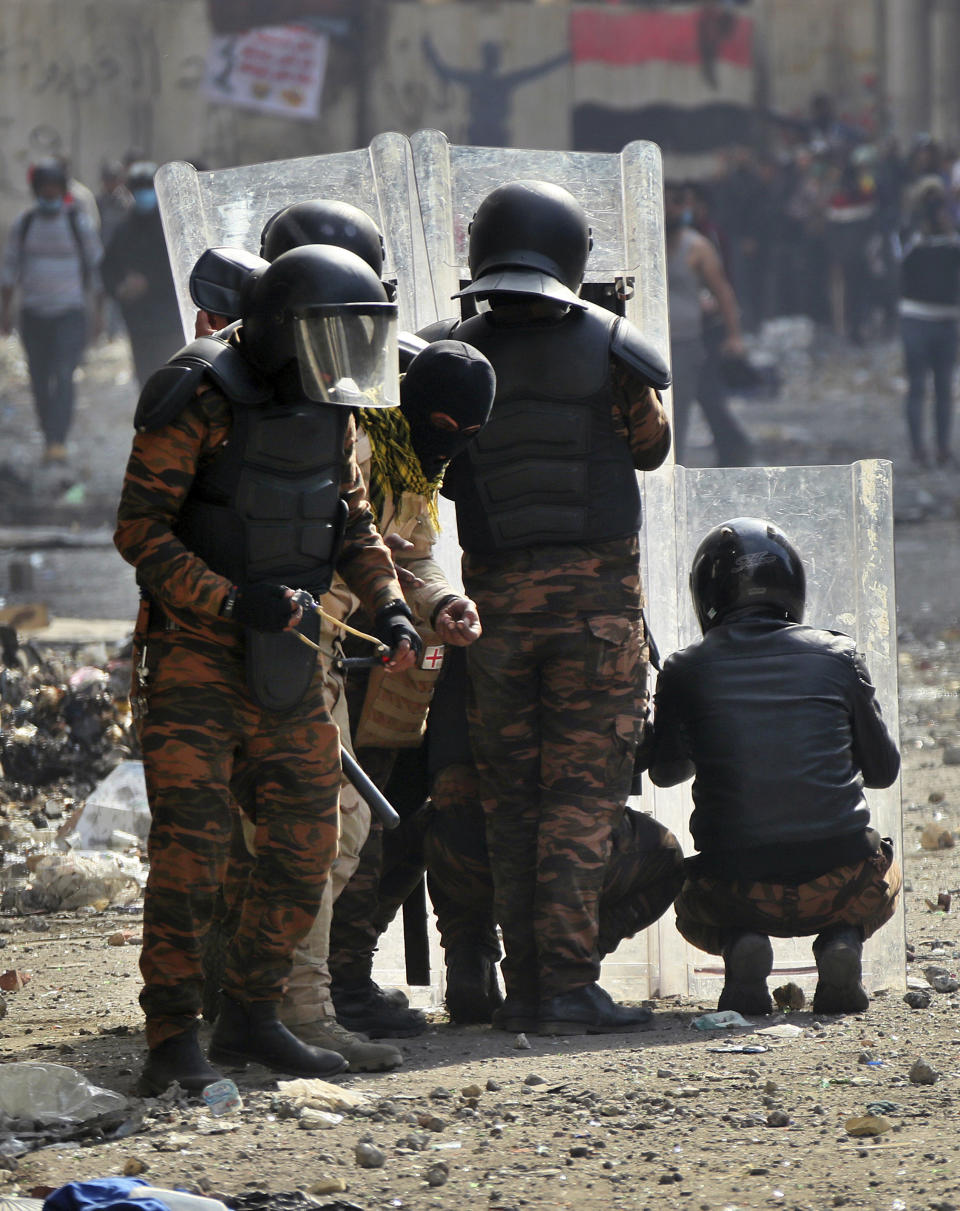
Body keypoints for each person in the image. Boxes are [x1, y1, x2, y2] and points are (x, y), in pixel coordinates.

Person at [114, 242, 421, 1094]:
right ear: (288, 331)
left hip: (287, 658)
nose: (347, 357)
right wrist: (226, 598)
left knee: (304, 841)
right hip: (192, 656)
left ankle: (254, 1013)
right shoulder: (198, 395)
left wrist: (389, 602)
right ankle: (173, 1033)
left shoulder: (335, 406)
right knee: (195, 851)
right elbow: (141, 530)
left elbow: (350, 521)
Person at [422, 178, 673, 1035]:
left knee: (512, 802)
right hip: (597, 619)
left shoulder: (450, 351)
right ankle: (568, 985)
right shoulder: (610, 347)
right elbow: (651, 447)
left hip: (494, 617)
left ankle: (523, 984)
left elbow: (435, 469)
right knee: (580, 800)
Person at [649, 517, 902, 1015]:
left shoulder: (683, 669)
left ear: (707, 595)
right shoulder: (839, 655)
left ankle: (741, 944)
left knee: (684, 886)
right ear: (793, 586)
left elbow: (665, 773)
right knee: (886, 871)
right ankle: (842, 942)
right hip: (842, 883)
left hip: (735, 891)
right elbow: (883, 771)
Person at [325, 338, 496, 1040]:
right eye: (445, 431)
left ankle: (343, 976)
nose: (447, 446)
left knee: (385, 819)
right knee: (346, 828)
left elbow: (418, 553)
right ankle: (332, 987)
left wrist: (444, 603)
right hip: (328, 648)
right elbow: (339, 539)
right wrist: (373, 564)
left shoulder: (414, 464)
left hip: (388, 662)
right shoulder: (362, 441)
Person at [0, 157, 103, 465]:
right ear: (36, 190)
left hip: (69, 313)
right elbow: (8, 271)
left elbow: (95, 270)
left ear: (61, 190)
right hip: (33, 314)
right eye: (43, 189)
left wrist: (98, 314)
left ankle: (58, 440)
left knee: (63, 374)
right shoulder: (25, 223)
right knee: (39, 377)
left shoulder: (77, 223)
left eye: (54, 188)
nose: (49, 194)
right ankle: (48, 433)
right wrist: (4, 312)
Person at [665, 181, 752, 467]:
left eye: (677, 203)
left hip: (688, 342)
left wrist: (734, 336)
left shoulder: (699, 246)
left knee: (682, 412)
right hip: (651, 341)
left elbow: (724, 292)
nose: (671, 209)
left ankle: (678, 468)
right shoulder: (642, 246)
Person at [101, 162, 183, 388]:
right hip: (139, 322)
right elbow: (108, 268)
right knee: (147, 381)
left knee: (172, 380)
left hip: (171, 321)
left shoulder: (173, 227)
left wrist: (149, 282)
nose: (144, 194)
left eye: (148, 187)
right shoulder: (124, 229)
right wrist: (120, 288)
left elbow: (182, 268)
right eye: (138, 188)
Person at [896, 178, 960, 468]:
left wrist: (948, 228)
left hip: (947, 320)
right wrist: (919, 223)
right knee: (918, 386)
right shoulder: (909, 233)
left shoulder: (952, 235)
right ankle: (918, 448)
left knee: (944, 388)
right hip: (916, 318)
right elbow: (898, 257)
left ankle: (943, 447)